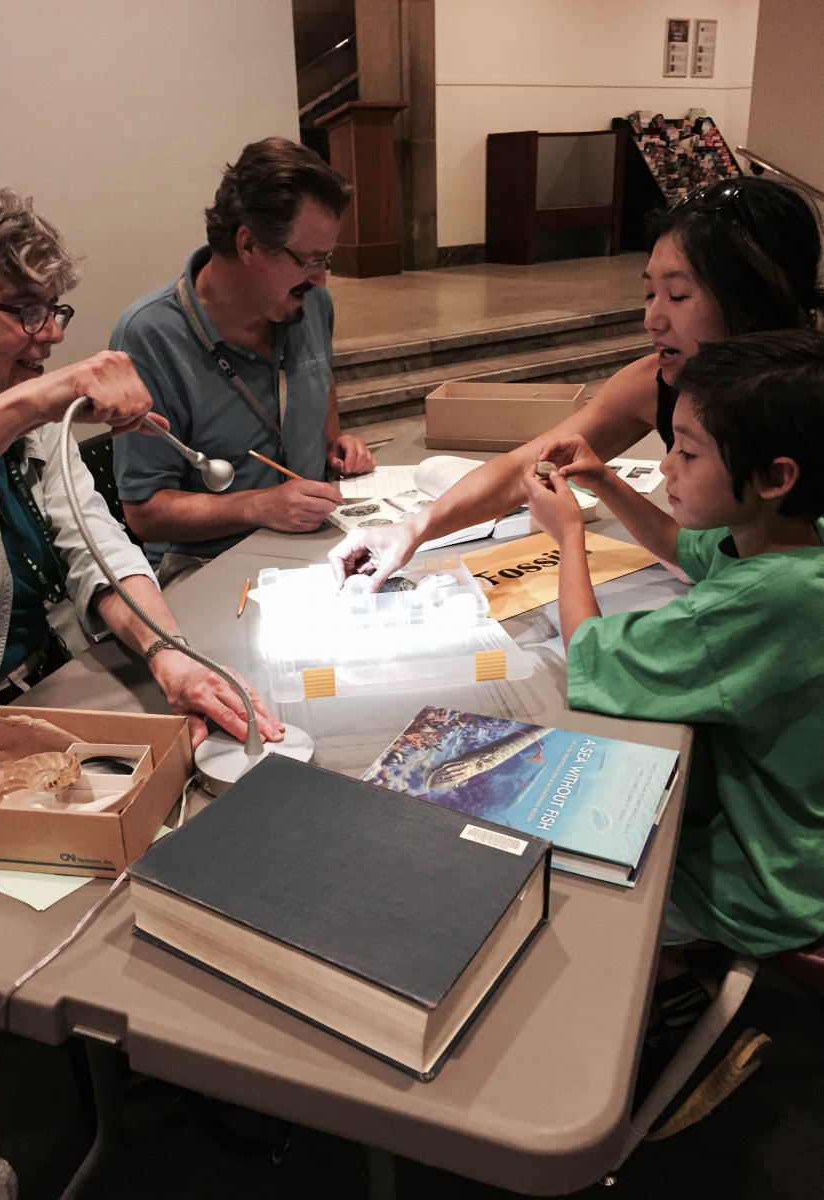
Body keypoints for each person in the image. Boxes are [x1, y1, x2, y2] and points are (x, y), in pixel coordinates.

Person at [0, 176, 283, 760]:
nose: (55, 333)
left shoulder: (27, 410)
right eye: (26, 311)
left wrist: (171, 653)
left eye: (53, 309)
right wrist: (32, 403)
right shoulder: (25, 402)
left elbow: (93, 546)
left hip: (44, 695)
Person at [329, 177, 824, 591]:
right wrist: (413, 528)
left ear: (754, 300)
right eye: (650, 292)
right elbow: (531, 462)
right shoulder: (653, 379)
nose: (652, 319)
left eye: (677, 295)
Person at [521, 330, 824, 983]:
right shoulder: (791, 541)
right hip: (789, 839)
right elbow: (680, 545)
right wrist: (603, 482)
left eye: (688, 452)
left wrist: (568, 534)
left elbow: (590, 654)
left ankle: (641, 1008)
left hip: (764, 878)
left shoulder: (768, 601)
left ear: (775, 476)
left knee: (550, 899)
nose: (665, 468)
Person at [111, 137, 376, 587]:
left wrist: (333, 440)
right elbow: (146, 513)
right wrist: (260, 505)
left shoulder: (310, 304)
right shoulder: (150, 336)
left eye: (326, 259)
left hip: (313, 546)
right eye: (309, 260)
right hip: (209, 569)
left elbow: (319, 379)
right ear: (248, 244)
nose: (321, 278)